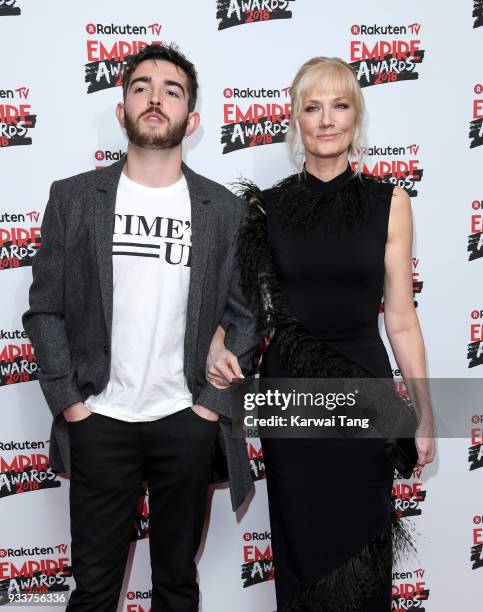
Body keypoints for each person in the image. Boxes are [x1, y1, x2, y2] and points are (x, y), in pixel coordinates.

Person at [22, 43, 258, 612]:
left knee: (177, 587)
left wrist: (207, 409)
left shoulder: (226, 212)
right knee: (95, 590)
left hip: (185, 421)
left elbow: (246, 316)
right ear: (122, 109)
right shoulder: (74, 199)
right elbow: (45, 309)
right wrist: (72, 406)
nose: (156, 98)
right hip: (101, 418)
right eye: (141, 87)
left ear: (192, 120)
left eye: (171, 91)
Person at [207, 56, 436, 611]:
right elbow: (240, 306)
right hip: (292, 400)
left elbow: (400, 317)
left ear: (355, 118)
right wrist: (216, 341)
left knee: (363, 549)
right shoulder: (265, 207)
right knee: (302, 549)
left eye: (339, 105)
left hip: (366, 396)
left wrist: (425, 411)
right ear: (296, 120)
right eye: (313, 107)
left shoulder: (391, 203)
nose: (326, 119)